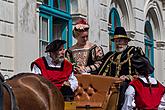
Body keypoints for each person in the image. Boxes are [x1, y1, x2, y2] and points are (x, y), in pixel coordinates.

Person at [98, 26, 145, 109]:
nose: (118, 44)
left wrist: (128, 77)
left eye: (120, 41)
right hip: (111, 86)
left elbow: (142, 72)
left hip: (128, 86)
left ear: (126, 41)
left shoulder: (134, 53)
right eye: (116, 41)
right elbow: (101, 71)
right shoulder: (110, 56)